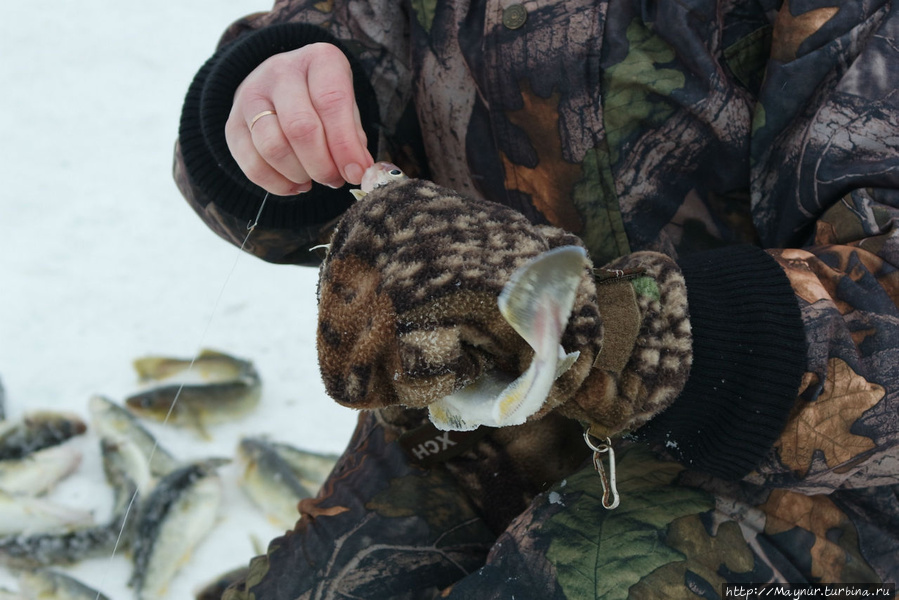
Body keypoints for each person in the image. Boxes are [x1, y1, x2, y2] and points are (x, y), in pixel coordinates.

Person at [175, 0, 899, 597]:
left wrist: (614, 331)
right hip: (487, 418)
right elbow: (340, 55)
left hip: (810, 475)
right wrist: (276, 111)